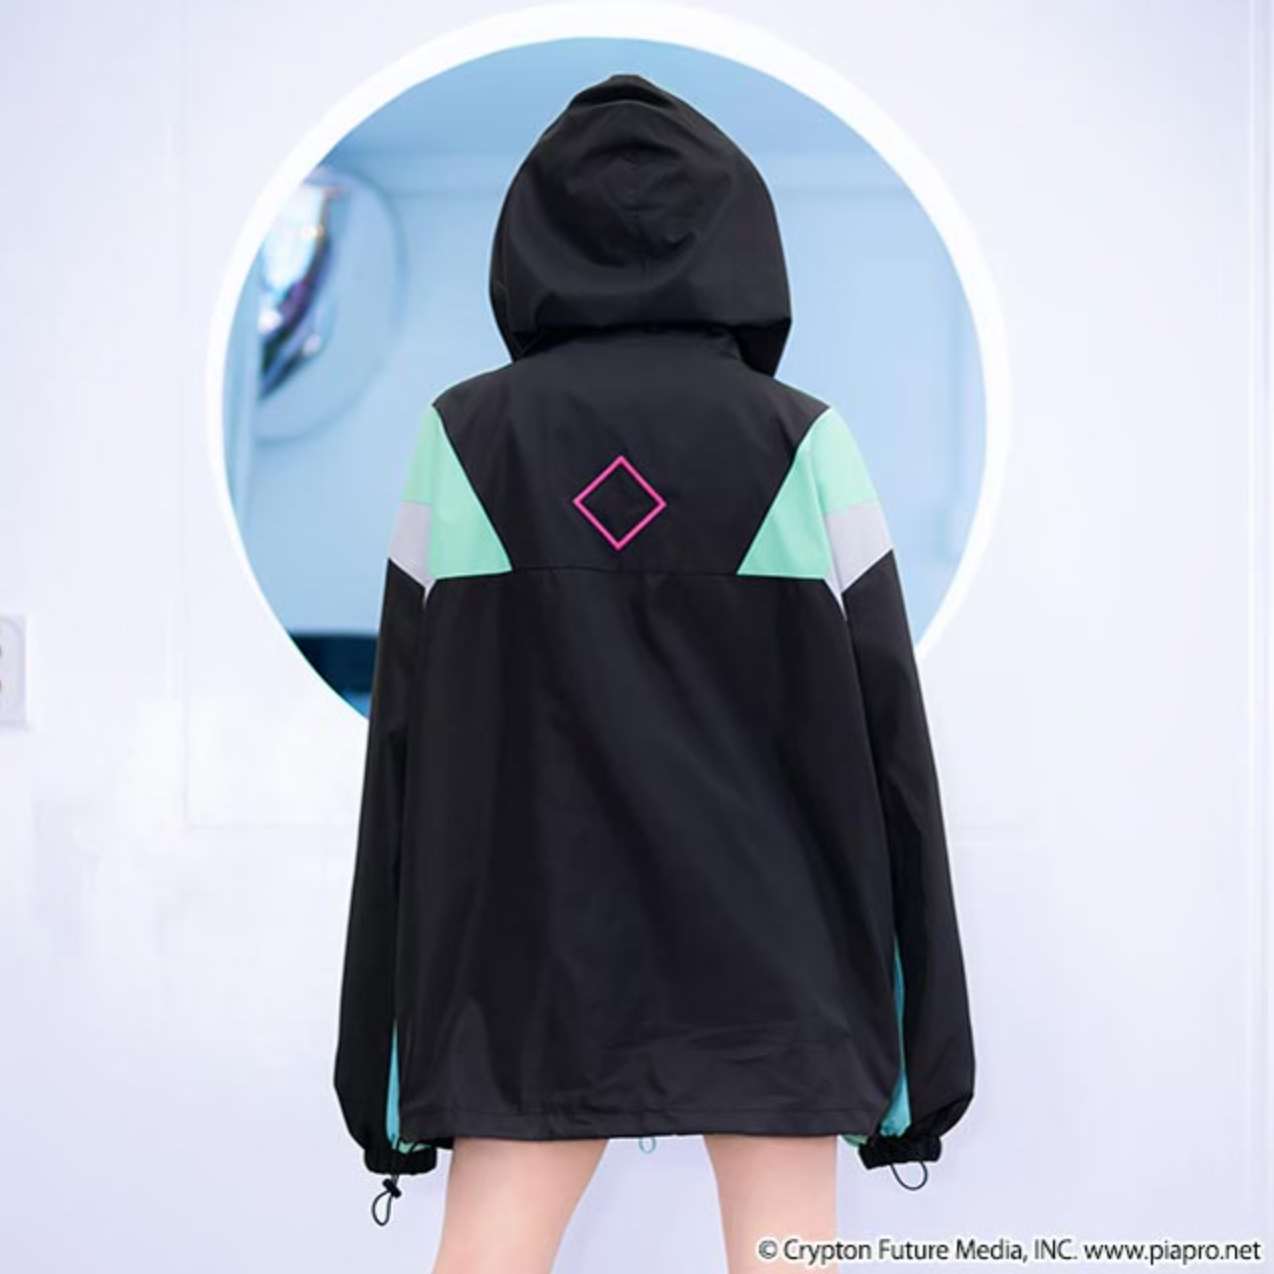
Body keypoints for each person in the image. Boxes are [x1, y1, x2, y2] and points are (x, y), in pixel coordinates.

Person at [334, 71, 976, 1273]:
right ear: (737, 236)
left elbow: (401, 756)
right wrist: (924, 1054)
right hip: (775, 954)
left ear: (529, 238)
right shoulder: (803, 440)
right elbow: (895, 747)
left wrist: (374, 1066)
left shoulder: (462, 440)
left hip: (528, 961)